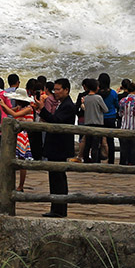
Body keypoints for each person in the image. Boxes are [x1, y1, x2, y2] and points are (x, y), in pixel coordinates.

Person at [35, 78, 76, 217]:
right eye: (55, 89)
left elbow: (56, 121)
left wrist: (42, 110)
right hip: (57, 147)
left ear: (66, 90)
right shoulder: (62, 104)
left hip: (60, 147)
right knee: (55, 178)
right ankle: (56, 208)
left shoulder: (68, 105)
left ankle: (59, 209)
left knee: (58, 179)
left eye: (59, 89)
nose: (56, 92)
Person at [0, 88, 35, 191]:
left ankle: (21, 185)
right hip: (17, 134)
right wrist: (3, 104)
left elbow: (14, 115)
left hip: (23, 135)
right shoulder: (20, 107)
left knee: (22, 161)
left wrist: (4, 105)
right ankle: (12, 183)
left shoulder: (28, 108)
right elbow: (8, 111)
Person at [75, 78, 108, 163]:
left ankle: (86, 160)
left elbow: (83, 108)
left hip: (87, 123)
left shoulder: (85, 98)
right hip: (97, 123)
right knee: (96, 145)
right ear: (96, 87)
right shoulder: (98, 98)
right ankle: (95, 161)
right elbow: (105, 109)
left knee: (87, 144)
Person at [118, 79, 135, 166]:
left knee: (124, 148)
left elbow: (120, 114)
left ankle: (123, 163)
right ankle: (134, 164)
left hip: (124, 126)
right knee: (134, 148)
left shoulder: (122, 101)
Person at [98, 73, 119, 164]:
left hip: (99, 118)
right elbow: (117, 105)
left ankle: (97, 159)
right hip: (111, 118)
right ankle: (111, 160)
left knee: (98, 140)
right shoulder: (113, 93)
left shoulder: (97, 94)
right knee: (110, 141)